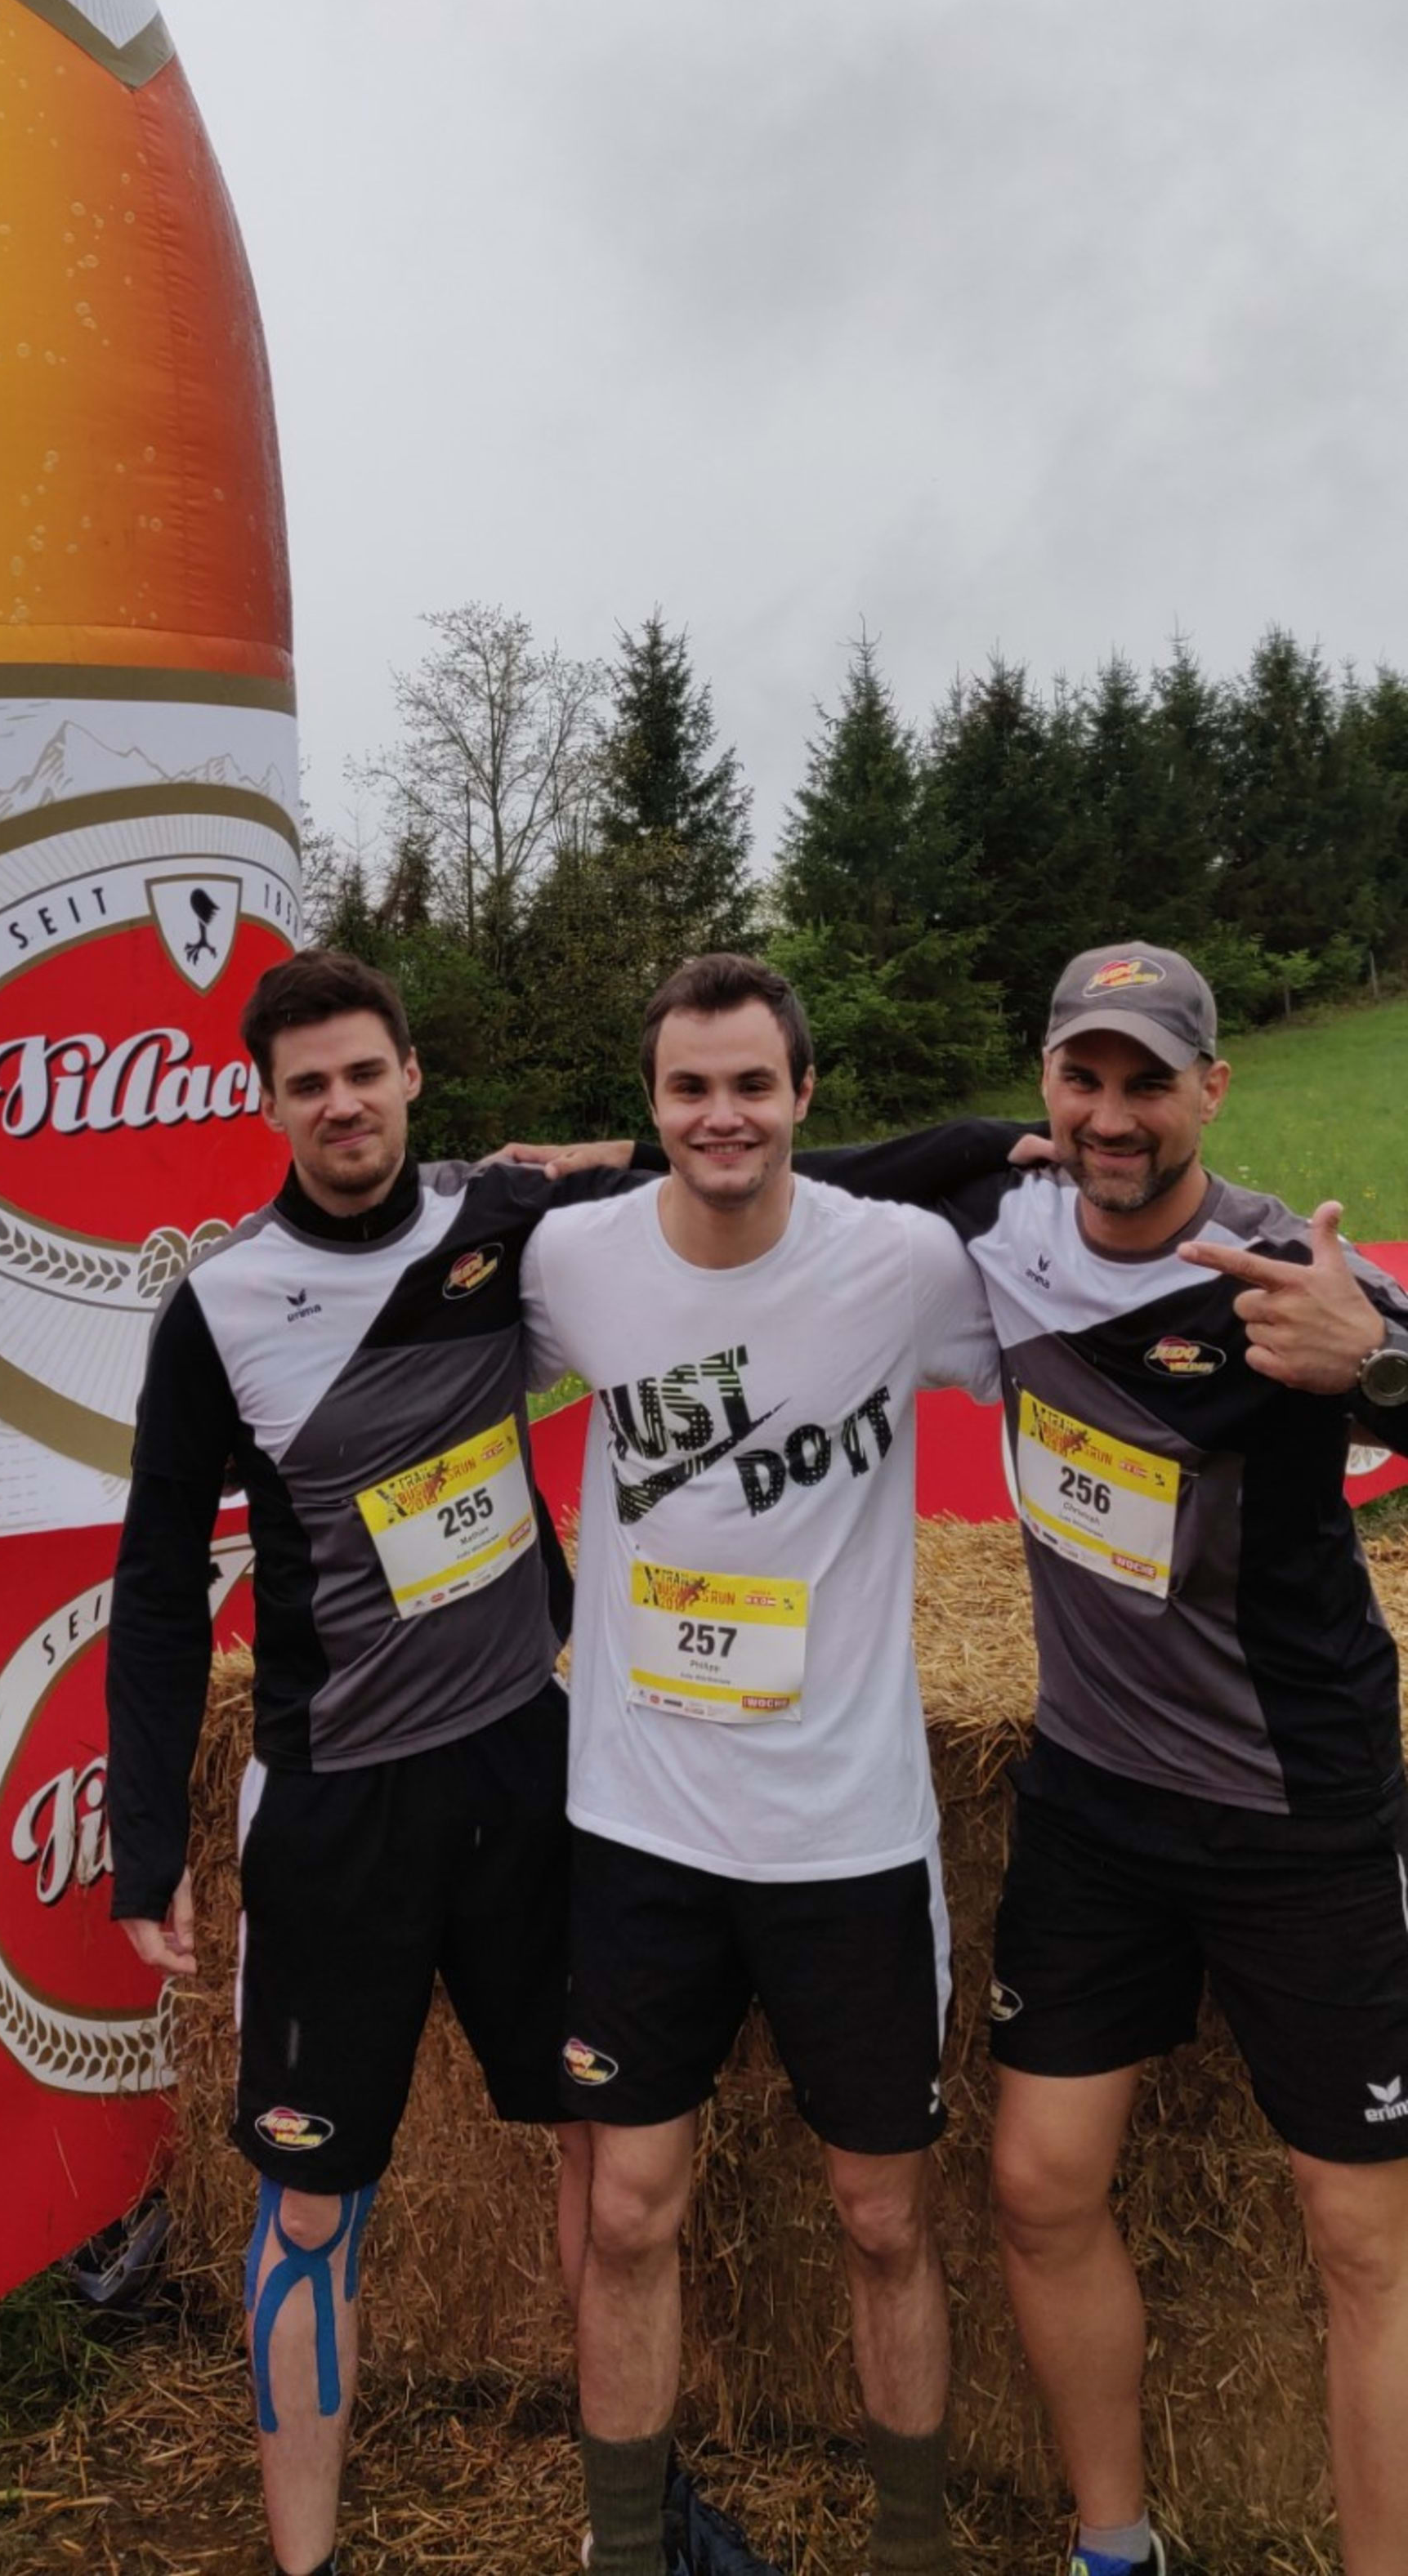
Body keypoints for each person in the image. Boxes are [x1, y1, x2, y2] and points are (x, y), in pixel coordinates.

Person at [797, 940, 1408, 2576]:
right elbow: (778, 1171)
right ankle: (1112, 2546)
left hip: (1295, 1808)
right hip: (1095, 1801)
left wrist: (1379, 1360)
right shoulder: (1003, 1226)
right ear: (1046, 1085)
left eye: (1149, 1081)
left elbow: (1387, 1363)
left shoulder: (1285, 1269)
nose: (1114, 1114)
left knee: (1362, 2239)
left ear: (1213, 1087)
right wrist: (960, 1141)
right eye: (1084, 1077)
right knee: (1037, 2187)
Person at [108, 949, 637, 2576]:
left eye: (363, 1071)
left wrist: (1001, 1154)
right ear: (268, 1104)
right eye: (307, 1083)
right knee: (311, 2201)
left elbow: (735, 1165)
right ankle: (307, 2561)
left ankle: (630, 2528)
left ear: (411, 1073)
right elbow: (155, 1582)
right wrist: (146, 1840)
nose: (340, 1104)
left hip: (526, 1765)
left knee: (604, 2150)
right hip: (339, 1801)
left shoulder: (500, 1218)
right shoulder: (219, 1305)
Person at [518, 950, 1003, 2576]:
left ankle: (911, 2547)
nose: (719, 1115)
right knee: (629, 2210)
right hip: (640, 1822)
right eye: (689, 1087)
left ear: (803, 1095)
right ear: (650, 1104)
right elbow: (422, 1366)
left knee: (884, 2216)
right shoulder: (573, 1261)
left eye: (749, 1084)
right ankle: (624, 2547)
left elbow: (1079, 1340)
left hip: (843, 1834)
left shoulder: (904, 1264)